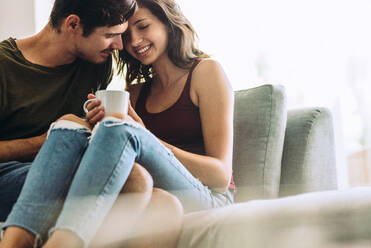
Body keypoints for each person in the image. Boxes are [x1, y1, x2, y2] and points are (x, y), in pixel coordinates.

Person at [1, 0, 235, 247]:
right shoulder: (132, 93)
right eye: (120, 34)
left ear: (168, 23)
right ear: (72, 24)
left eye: (143, 27)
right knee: (160, 203)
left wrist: (139, 134)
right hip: (160, 187)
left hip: (207, 192)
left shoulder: (206, 72)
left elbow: (220, 176)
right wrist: (92, 129)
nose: (129, 43)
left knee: (113, 130)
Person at [0, 0, 140, 247]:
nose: (119, 45)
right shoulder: (5, 65)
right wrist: (46, 141)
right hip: (8, 175)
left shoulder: (96, 63)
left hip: (68, 166)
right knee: (129, 181)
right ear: (73, 24)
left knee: (143, 182)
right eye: (110, 35)